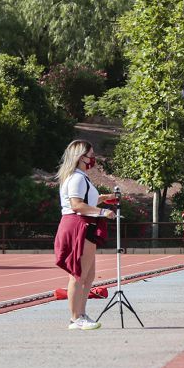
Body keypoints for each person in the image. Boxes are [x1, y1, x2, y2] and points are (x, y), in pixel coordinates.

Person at [54, 139, 117, 330]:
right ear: (81, 156)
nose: (93, 158)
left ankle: (80, 314)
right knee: (79, 274)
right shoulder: (77, 178)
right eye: (91, 154)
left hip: (82, 224)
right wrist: (103, 212)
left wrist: (103, 199)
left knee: (88, 275)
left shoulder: (80, 177)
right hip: (78, 225)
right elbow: (76, 205)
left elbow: (85, 200)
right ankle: (75, 318)